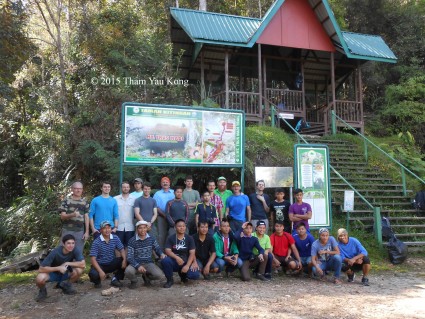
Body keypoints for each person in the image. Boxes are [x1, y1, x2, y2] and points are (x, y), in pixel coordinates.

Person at [35, 234, 85, 302]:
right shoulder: (55, 252)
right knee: (40, 278)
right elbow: (41, 269)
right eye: (68, 243)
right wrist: (58, 268)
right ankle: (43, 291)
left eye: (73, 243)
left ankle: (66, 286)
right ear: (63, 244)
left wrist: (68, 263)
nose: (71, 245)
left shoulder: (75, 249)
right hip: (53, 273)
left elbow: (83, 264)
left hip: (65, 273)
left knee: (79, 270)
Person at [125, 221, 166, 289]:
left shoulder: (151, 238)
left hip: (148, 262)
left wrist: (161, 254)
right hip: (136, 263)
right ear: (137, 229)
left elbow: (157, 248)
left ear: (147, 228)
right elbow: (129, 257)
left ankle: (147, 277)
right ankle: (134, 281)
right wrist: (138, 266)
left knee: (159, 275)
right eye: (140, 228)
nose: (143, 230)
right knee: (128, 271)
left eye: (144, 227)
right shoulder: (132, 241)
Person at [161, 219, 200, 288]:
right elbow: (167, 250)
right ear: (175, 227)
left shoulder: (189, 238)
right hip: (174, 261)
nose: (182, 228)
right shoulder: (171, 238)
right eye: (179, 226)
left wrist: (187, 265)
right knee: (165, 261)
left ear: (185, 227)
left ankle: (183, 276)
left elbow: (192, 253)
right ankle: (169, 280)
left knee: (195, 275)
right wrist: (177, 257)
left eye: (183, 226)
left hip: (186, 261)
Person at [89, 221, 127, 288]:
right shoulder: (96, 242)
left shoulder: (115, 238)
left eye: (109, 228)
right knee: (93, 274)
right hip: (100, 264)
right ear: (100, 230)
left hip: (111, 263)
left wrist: (124, 260)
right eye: (104, 228)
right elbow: (93, 259)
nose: (107, 230)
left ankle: (115, 279)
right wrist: (100, 271)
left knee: (126, 260)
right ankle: (97, 282)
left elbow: (121, 249)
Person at [58, 181, 90, 252]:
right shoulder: (66, 201)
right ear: (72, 189)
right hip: (67, 230)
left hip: (80, 232)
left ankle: (76, 263)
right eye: (76, 188)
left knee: (78, 252)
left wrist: (87, 232)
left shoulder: (85, 202)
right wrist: (73, 214)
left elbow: (86, 217)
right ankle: (63, 263)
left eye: (80, 189)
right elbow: (62, 216)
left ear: (82, 190)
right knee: (62, 251)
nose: (78, 190)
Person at [153, 177, 175, 249]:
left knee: (173, 233)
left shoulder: (174, 192)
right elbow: (156, 206)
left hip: (173, 217)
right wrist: (165, 215)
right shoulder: (157, 194)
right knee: (162, 235)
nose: (165, 183)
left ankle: (171, 251)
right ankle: (161, 254)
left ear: (169, 183)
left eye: (166, 182)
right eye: (163, 182)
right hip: (162, 216)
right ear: (161, 184)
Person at [114, 181, 136, 249]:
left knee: (128, 246)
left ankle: (126, 260)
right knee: (118, 246)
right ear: (121, 188)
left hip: (130, 227)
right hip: (118, 227)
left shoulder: (134, 199)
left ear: (129, 188)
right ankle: (119, 259)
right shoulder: (115, 199)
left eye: (127, 187)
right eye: (124, 187)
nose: (125, 188)